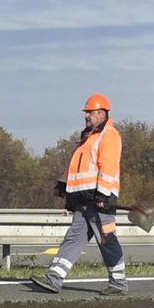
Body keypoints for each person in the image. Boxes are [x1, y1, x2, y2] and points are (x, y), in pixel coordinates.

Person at [31, 93, 126, 297]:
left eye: (90, 113)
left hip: (99, 199)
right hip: (84, 199)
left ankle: (118, 283)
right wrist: (63, 184)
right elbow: (76, 169)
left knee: (107, 240)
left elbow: (107, 167)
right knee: (73, 238)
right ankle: (54, 278)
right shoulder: (88, 137)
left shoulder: (108, 135)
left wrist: (103, 195)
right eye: (86, 113)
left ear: (102, 113)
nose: (87, 116)